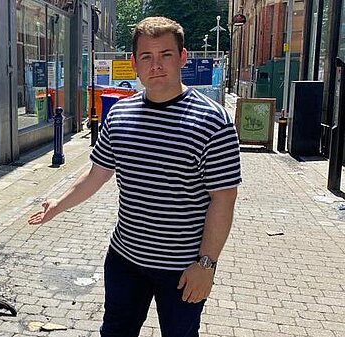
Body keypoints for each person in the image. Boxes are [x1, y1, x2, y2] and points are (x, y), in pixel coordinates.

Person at [28, 16, 241, 337]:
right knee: (115, 331)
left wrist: (206, 265)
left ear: (182, 57)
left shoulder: (213, 121)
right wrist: (57, 204)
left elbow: (223, 200)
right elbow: (96, 174)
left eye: (166, 55)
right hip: (125, 259)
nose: (156, 65)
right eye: (147, 56)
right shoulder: (120, 114)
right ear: (134, 63)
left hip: (182, 267)